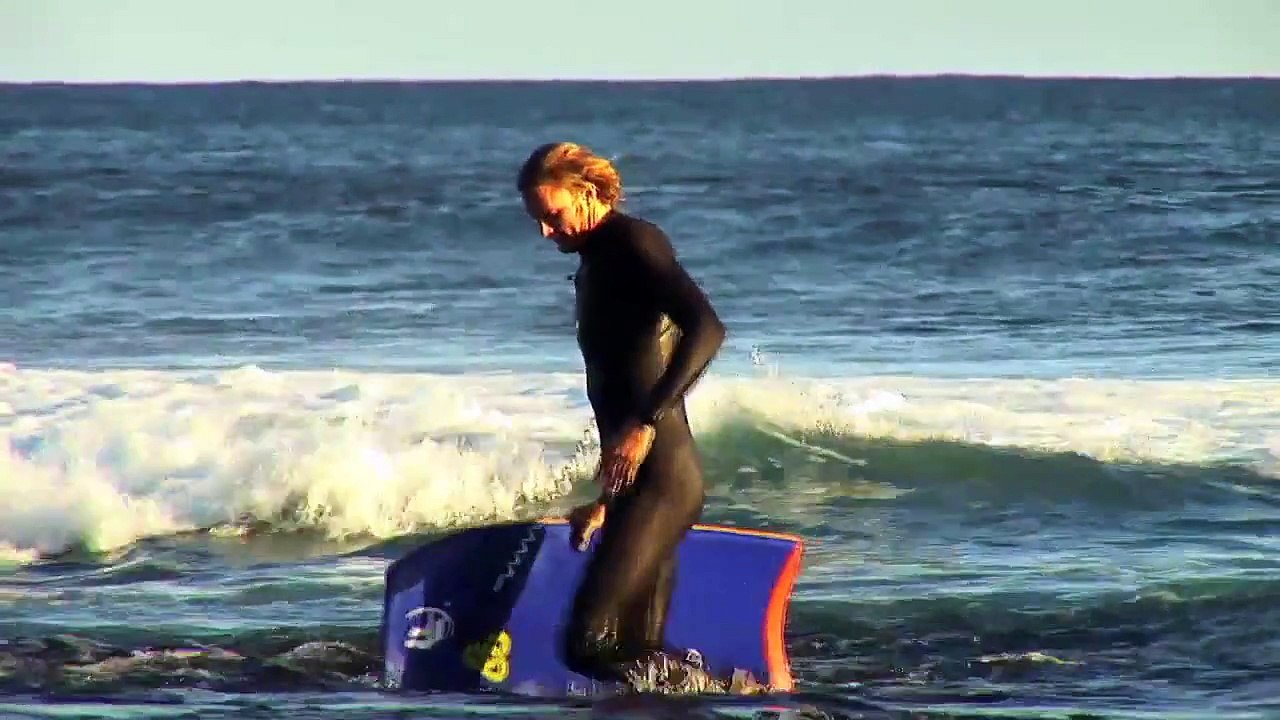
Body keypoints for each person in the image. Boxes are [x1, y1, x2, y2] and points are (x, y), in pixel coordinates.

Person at [516, 142, 762, 695]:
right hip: (639, 486)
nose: (545, 234)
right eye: (536, 222)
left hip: (665, 482)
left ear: (586, 194)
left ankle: (735, 693)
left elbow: (707, 327)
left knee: (588, 644)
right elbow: (621, 385)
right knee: (634, 656)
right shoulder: (594, 265)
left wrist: (647, 422)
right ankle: (711, 698)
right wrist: (607, 500)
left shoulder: (633, 242)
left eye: (552, 217)